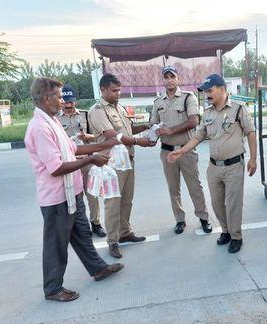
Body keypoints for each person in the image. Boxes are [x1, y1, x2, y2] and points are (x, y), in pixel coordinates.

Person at [24, 77, 124, 303]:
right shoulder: (40, 127)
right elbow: (56, 167)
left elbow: (73, 148)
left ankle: (97, 268)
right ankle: (52, 288)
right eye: (59, 97)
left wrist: (104, 145)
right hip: (57, 198)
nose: (63, 101)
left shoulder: (53, 121)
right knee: (56, 244)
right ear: (46, 98)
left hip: (72, 192)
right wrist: (92, 159)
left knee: (82, 234)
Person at [168, 74, 257, 254]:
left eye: (210, 90)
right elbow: (199, 136)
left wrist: (253, 159)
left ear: (222, 89)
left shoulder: (239, 109)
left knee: (233, 203)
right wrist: (182, 150)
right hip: (214, 167)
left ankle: (236, 236)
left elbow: (250, 133)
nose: (207, 94)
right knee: (217, 203)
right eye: (205, 91)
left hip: (234, 166)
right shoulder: (207, 113)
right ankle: (225, 231)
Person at [88, 74, 155, 259]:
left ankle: (125, 232)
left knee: (127, 200)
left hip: (128, 161)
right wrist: (137, 141)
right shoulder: (97, 110)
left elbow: (127, 130)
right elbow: (112, 136)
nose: (118, 94)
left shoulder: (120, 108)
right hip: (111, 164)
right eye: (114, 90)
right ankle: (113, 241)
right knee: (112, 203)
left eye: (119, 90)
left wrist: (148, 127)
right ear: (102, 89)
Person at [150, 66, 212, 235]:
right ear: (162, 80)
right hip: (167, 151)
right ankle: (179, 220)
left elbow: (193, 121)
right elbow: (153, 124)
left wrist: (170, 130)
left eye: (172, 76)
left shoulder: (188, 98)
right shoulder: (158, 102)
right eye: (166, 77)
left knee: (194, 186)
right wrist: (151, 134)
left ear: (178, 79)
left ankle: (203, 217)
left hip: (186, 150)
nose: (169, 80)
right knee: (173, 188)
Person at [57, 84, 106, 237]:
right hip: (70, 163)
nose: (68, 104)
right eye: (65, 101)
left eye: (71, 101)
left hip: (86, 161)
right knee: (73, 196)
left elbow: (96, 135)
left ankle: (96, 223)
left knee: (92, 193)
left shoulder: (84, 115)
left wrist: (87, 137)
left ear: (75, 101)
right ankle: (79, 227)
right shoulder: (56, 119)